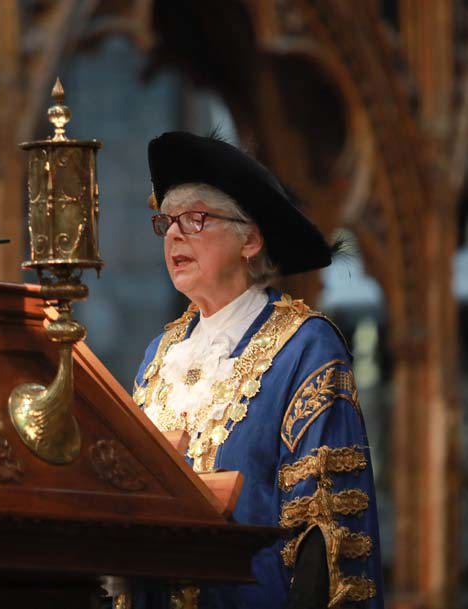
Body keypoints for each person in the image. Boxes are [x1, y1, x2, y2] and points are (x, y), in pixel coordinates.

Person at [132, 132, 384, 609]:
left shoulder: (305, 347)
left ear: (249, 239)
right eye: (166, 221)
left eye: (195, 218)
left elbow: (324, 532)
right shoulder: (158, 356)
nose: (174, 234)